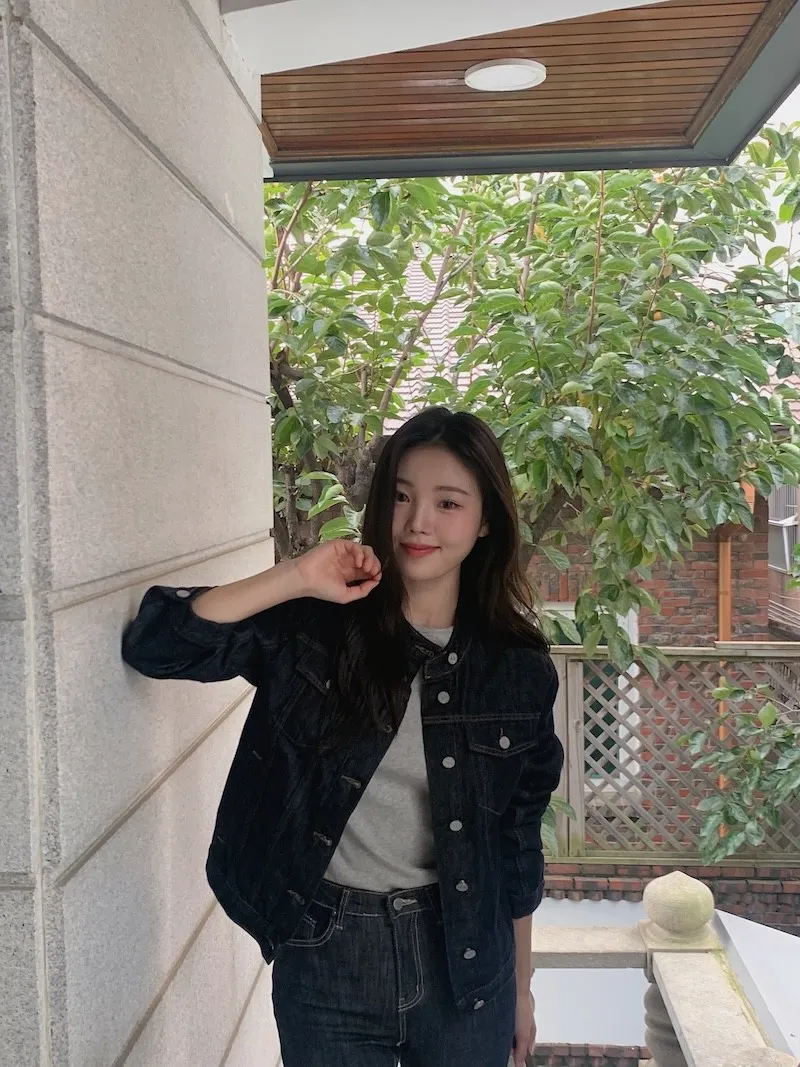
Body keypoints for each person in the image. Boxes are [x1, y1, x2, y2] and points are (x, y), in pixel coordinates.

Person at [121, 406, 564, 1067]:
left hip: (466, 959)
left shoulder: (517, 668)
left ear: (485, 522)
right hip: (327, 951)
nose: (418, 522)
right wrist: (297, 576)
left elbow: (516, 846)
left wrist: (522, 989)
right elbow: (158, 644)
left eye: (448, 503)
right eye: (403, 496)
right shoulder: (319, 627)